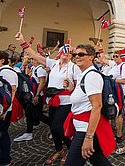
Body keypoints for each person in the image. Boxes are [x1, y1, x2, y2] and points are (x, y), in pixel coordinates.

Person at [16, 32, 80, 165]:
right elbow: (34, 55)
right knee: (52, 126)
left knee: (57, 127)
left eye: (69, 54)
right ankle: (59, 150)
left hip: (66, 101)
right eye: (64, 53)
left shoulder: (74, 67)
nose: (66, 56)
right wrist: (23, 41)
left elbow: (79, 86)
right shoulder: (54, 63)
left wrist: (70, 86)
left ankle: (71, 149)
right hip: (52, 100)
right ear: (60, 53)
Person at [63, 44, 115, 165]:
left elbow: (97, 106)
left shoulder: (91, 75)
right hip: (83, 126)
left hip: (85, 128)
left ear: (91, 57)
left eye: (81, 54)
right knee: (98, 161)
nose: (77, 57)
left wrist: (89, 137)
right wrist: (71, 88)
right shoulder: (83, 74)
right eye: (75, 54)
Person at [14, 58, 49, 142]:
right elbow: (27, 77)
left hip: (37, 95)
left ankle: (54, 126)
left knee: (36, 114)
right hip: (33, 94)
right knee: (29, 113)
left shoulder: (40, 69)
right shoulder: (34, 68)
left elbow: (42, 82)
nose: (32, 61)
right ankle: (28, 132)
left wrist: (37, 95)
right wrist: (25, 65)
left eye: (33, 59)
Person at [103, 50, 125, 143]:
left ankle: (119, 135)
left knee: (118, 114)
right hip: (110, 92)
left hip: (119, 92)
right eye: (113, 56)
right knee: (108, 112)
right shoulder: (113, 65)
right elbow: (102, 59)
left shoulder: (123, 66)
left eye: (116, 56)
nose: (114, 58)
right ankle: (109, 133)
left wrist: (113, 80)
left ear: (121, 57)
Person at [0, 50, 18, 166]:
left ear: (2, 60)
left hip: (3, 111)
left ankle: (5, 160)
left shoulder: (8, 72)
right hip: (4, 110)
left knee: (3, 134)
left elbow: (12, 91)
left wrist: (5, 111)